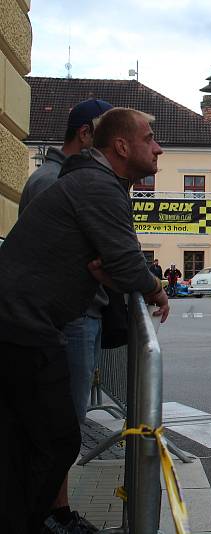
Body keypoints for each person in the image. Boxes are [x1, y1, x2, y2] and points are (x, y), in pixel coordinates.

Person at [0, 107, 169, 534]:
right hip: (24, 326)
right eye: (150, 138)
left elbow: (112, 261)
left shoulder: (90, 182)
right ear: (122, 145)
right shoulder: (98, 186)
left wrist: (118, 271)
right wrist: (154, 286)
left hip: (23, 324)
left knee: (28, 439)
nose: (158, 147)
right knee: (57, 439)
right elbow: (127, 263)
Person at [14, 98, 114, 534]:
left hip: (73, 315)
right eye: (105, 134)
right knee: (61, 426)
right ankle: (52, 513)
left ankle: (55, 509)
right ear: (86, 134)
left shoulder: (59, 178)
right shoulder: (53, 180)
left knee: (64, 423)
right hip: (66, 318)